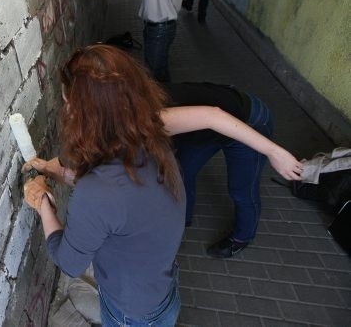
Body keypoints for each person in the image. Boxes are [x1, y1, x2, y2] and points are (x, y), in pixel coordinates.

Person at [21, 45, 303, 326]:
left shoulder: (96, 193)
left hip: (131, 312)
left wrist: (43, 203)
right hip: (161, 285)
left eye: (67, 102)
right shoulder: (149, 127)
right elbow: (212, 115)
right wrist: (275, 151)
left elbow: (70, 262)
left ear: (79, 113)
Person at [164, 82, 275, 258]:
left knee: (242, 190)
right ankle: (182, 217)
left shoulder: (157, 118)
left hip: (247, 123)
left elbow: (212, 116)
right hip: (208, 128)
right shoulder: (135, 106)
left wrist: (275, 152)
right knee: (181, 169)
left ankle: (242, 237)